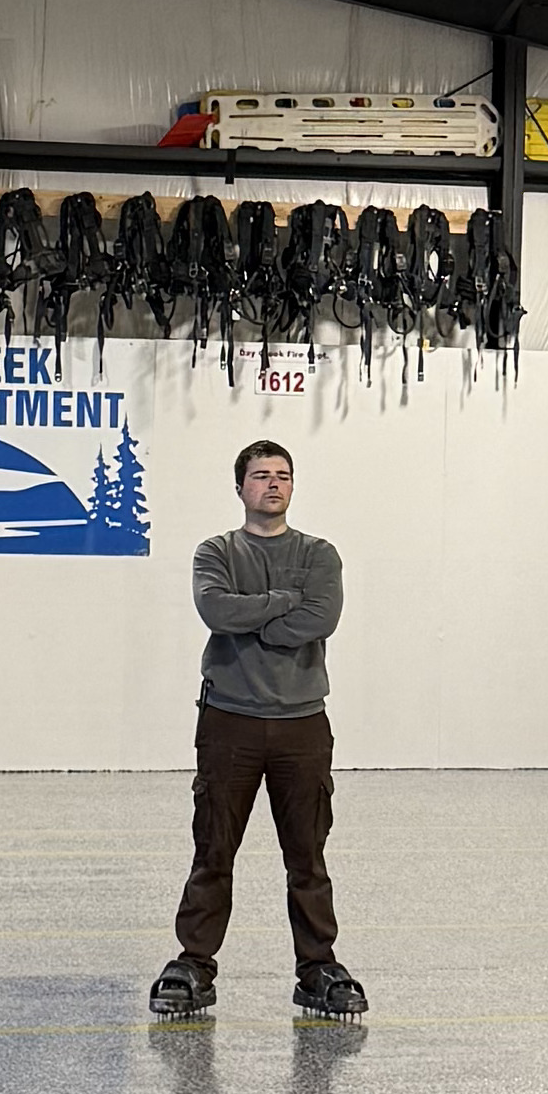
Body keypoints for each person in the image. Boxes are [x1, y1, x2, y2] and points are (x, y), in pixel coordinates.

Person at [150, 437, 364, 1021]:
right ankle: (194, 964)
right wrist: (282, 602)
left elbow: (323, 616)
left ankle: (317, 967)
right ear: (240, 487)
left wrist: (258, 619)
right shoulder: (216, 551)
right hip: (229, 721)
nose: (274, 484)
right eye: (262, 475)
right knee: (213, 848)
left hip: (302, 724)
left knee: (307, 854)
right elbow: (217, 611)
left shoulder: (319, 554)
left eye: (283, 475)